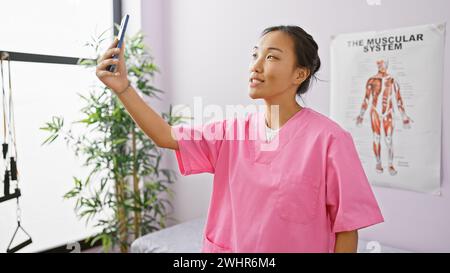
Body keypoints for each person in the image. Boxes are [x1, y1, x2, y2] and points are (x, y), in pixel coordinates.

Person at [96, 25, 384, 253]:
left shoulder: (330, 139)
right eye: (255, 54)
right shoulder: (231, 131)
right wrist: (123, 89)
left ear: (300, 73)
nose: (255, 65)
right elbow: (165, 135)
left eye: (271, 57)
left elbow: (347, 227)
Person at [356, 60, 412, 176]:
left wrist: (404, 116)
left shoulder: (392, 80)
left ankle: (390, 164)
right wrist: (361, 115)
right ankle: (378, 163)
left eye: (383, 63)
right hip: (375, 112)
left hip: (388, 112)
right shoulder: (371, 80)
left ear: (387, 65)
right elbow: (366, 99)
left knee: (388, 139)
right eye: (379, 63)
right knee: (376, 138)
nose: (381, 65)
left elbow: (398, 99)